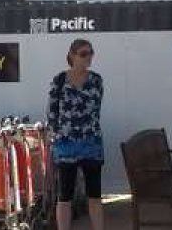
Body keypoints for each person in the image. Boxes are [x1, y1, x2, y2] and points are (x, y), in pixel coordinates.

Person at [48, 39, 105, 230]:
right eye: (83, 54)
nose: (88, 57)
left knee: (95, 195)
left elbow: (96, 109)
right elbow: (52, 112)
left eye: (91, 53)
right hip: (66, 145)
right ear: (72, 55)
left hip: (91, 143)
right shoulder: (60, 80)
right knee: (64, 197)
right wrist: (59, 136)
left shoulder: (96, 80)